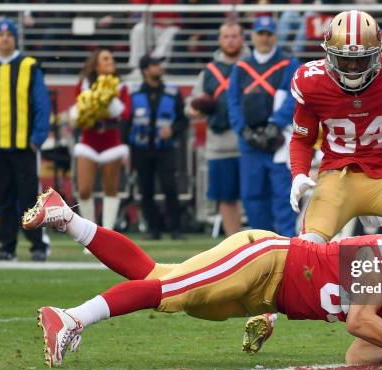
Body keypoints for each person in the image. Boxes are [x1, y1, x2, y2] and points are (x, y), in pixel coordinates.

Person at [22, 187, 382, 368]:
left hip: (269, 299)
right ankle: (70, 318)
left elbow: (358, 354)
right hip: (266, 260)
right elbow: (359, 321)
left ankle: (65, 219)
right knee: (171, 293)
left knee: (157, 277)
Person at [245, 9, 382, 354]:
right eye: (344, 61)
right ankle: (268, 313)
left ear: (377, 55)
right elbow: (302, 138)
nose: (352, 69)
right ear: (328, 55)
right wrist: (299, 175)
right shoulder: (310, 79)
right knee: (306, 245)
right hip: (338, 178)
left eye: (360, 60)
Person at [0, 19, 51, 261]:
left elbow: (42, 104)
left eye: (9, 35)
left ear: (15, 38)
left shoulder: (29, 66)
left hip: (23, 144)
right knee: (3, 197)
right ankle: (6, 247)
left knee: (29, 197)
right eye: (0, 35)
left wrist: (37, 138)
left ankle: (38, 245)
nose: (5, 38)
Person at [227, 16, 299, 237]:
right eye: (260, 34)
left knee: (283, 195)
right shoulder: (241, 67)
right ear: (253, 36)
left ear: (275, 36)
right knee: (252, 195)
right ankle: (261, 245)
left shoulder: (289, 63)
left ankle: (288, 244)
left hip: (278, 142)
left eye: (268, 34)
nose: (264, 39)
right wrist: (243, 130)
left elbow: (293, 96)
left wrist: (275, 125)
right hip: (249, 144)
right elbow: (233, 101)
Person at [185, 20, 248, 237]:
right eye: (226, 36)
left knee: (255, 196)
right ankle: (235, 245)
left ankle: (262, 244)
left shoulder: (253, 66)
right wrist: (195, 109)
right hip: (219, 144)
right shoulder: (209, 72)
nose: (230, 41)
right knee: (226, 196)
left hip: (250, 143)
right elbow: (191, 104)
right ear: (220, 40)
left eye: (234, 36)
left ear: (242, 39)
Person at [69, 49, 130, 232]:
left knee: (110, 189)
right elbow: (78, 110)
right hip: (89, 141)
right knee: (85, 189)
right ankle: (90, 232)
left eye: (112, 58)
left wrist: (110, 102)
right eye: (105, 59)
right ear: (96, 64)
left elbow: (126, 113)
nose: (110, 61)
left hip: (112, 142)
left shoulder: (121, 87)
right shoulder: (84, 85)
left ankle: (108, 232)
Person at [127, 54, 186, 240]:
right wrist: (126, 147)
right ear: (145, 70)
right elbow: (126, 122)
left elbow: (183, 120)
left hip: (165, 148)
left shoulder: (173, 92)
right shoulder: (134, 93)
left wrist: (173, 131)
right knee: (146, 189)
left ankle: (176, 229)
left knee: (170, 187)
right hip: (141, 149)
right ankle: (154, 229)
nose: (160, 67)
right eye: (155, 65)